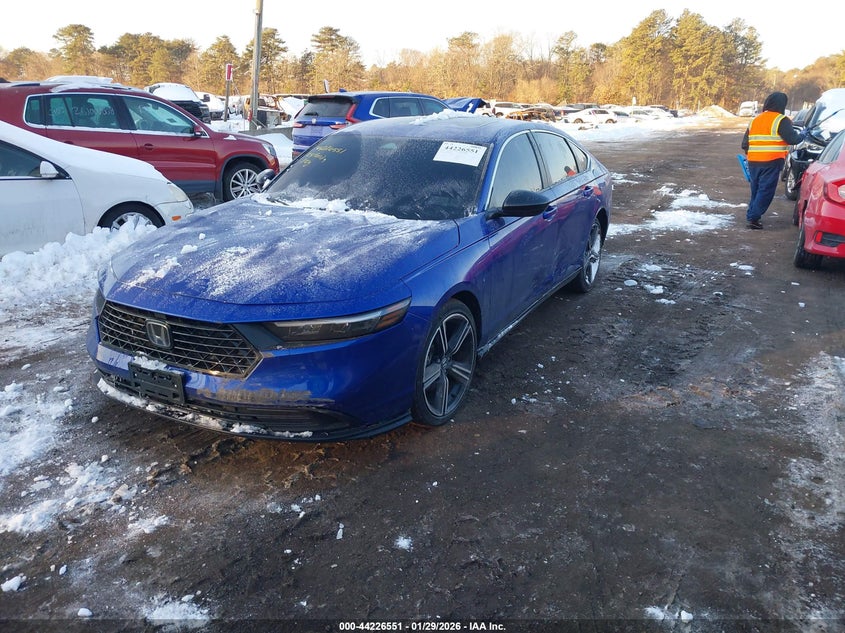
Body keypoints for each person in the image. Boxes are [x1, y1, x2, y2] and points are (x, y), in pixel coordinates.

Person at [741, 91, 806, 229]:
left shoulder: (755, 120)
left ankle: (753, 215)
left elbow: (744, 144)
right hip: (771, 162)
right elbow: (792, 139)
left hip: (753, 162)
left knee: (756, 190)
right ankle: (753, 217)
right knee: (765, 191)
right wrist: (803, 135)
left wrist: (752, 154)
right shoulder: (781, 120)